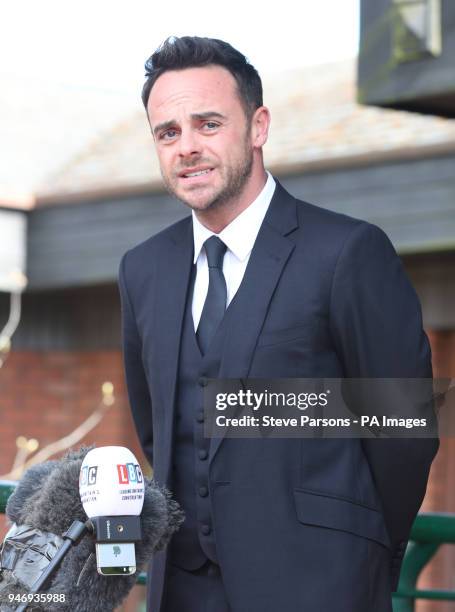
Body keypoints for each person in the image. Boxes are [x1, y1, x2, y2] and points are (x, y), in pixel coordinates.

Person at [118, 36, 439, 612]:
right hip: (181, 592)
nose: (186, 147)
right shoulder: (142, 269)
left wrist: (360, 555)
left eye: (208, 123)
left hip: (319, 585)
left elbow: (402, 432)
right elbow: (156, 429)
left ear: (258, 126)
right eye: (168, 132)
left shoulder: (346, 251)